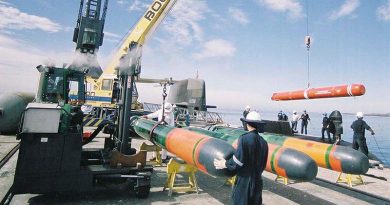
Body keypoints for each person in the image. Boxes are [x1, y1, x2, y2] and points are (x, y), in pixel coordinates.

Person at [214, 111, 268, 205]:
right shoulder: (264, 142)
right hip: (258, 182)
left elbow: (238, 161)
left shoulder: (244, 138)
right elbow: (263, 164)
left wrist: (225, 164)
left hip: (244, 182)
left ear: (247, 124)